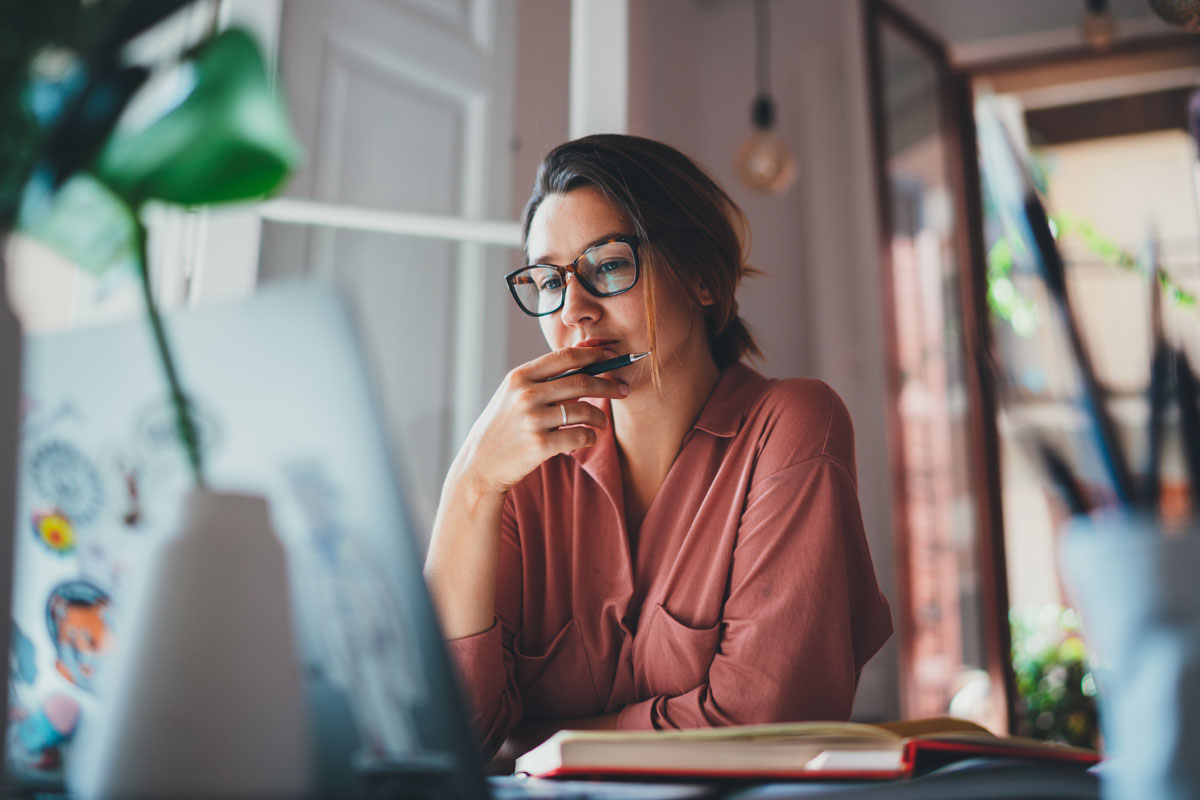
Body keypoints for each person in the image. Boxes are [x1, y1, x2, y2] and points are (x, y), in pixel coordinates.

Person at [424, 134, 892, 762]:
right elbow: (447, 737)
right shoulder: (521, 469)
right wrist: (471, 485)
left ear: (701, 277)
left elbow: (762, 725)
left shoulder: (791, 426)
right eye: (549, 280)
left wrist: (532, 742)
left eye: (608, 265)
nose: (574, 311)